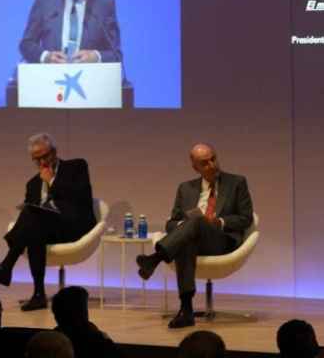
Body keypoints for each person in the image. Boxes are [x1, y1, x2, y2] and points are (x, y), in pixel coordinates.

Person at [135, 142, 254, 328]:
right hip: (195, 240)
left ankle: (156, 258)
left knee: (198, 221)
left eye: (213, 159)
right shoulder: (185, 188)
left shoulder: (237, 182)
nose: (212, 165)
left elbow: (246, 218)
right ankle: (186, 310)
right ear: (195, 167)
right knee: (186, 240)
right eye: (205, 163)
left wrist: (220, 222)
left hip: (222, 240)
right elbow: (171, 223)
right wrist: (185, 225)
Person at [0, 133, 96, 311]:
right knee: (34, 228)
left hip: (75, 227)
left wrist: (52, 181)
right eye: (36, 160)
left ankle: (6, 267)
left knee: (33, 218)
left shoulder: (76, 166)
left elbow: (80, 196)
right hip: (48, 230)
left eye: (45, 157)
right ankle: (38, 295)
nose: (42, 163)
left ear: (54, 152)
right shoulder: (32, 183)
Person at [51, 286, 120, 358]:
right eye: (84, 309)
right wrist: (106, 339)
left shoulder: (53, 338)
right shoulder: (97, 340)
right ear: (83, 313)